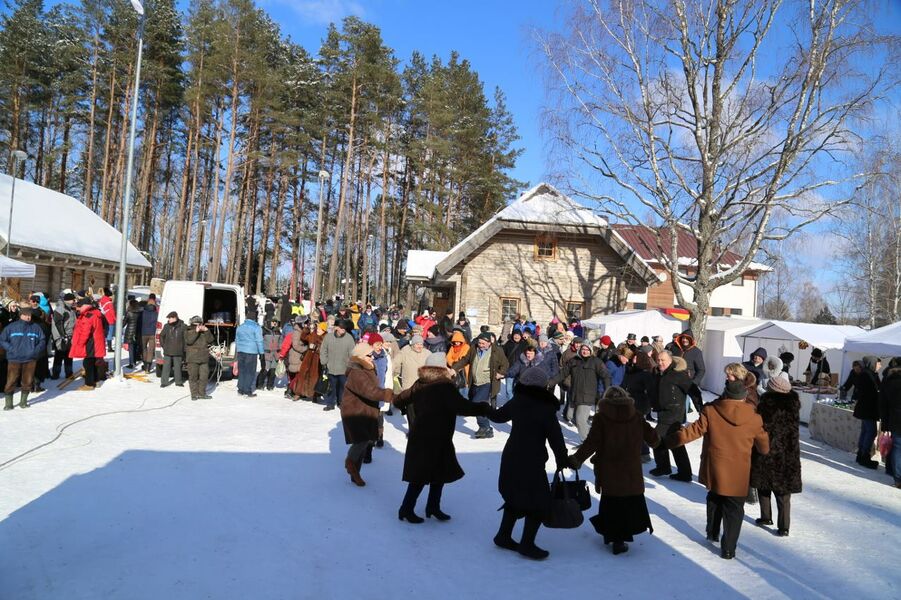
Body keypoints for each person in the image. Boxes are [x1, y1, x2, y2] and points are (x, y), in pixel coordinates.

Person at [667, 373, 770, 560]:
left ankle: (712, 532)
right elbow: (764, 447)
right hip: (739, 472)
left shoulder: (712, 411)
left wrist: (669, 441)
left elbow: (693, 431)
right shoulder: (755, 418)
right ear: (744, 396)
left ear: (726, 393)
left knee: (715, 498)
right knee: (735, 509)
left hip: (716, 467)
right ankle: (729, 548)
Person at [393, 352, 491, 523]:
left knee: (438, 472)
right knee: (422, 475)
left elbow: (402, 397)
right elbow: (462, 406)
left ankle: (433, 507)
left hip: (426, 435)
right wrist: (482, 407)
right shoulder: (444, 386)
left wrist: (401, 404)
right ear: (441, 367)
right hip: (436, 436)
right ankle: (406, 509)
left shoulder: (420, 382)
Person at [488, 367, 569, 560]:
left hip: (512, 456)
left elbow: (498, 417)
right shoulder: (545, 406)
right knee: (539, 503)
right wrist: (562, 459)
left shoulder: (518, 400)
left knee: (515, 496)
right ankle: (526, 544)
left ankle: (503, 536)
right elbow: (555, 437)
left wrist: (483, 408)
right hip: (532, 459)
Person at [569, 386, 660, 555]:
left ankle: (614, 537)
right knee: (629, 502)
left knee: (612, 503)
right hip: (631, 470)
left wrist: (577, 459)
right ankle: (624, 536)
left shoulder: (602, 418)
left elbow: (591, 443)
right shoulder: (637, 416)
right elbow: (653, 438)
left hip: (609, 470)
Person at [750, 373, 801, 537]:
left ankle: (766, 517)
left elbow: (760, 426)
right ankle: (784, 526)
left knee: (764, 484)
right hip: (787, 452)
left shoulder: (766, 403)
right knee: (783, 491)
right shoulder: (793, 405)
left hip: (766, 449)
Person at [340, 343, 393, 487]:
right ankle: (350, 463)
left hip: (365, 409)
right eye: (369, 355)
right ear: (360, 357)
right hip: (355, 411)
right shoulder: (357, 372)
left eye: (372, 355)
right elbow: (370, 391)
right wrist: (389, 394)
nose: (372, 357)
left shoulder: (366, 367)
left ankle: (355, 472)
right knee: (361, 440)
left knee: (365, 440)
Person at [450, 332, 509, 439]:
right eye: (479, 343)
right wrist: (454, 368)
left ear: (489, 343)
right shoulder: (474, 348)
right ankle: (487, 429)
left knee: (476, 403)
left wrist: (501, 373)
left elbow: (505, 364)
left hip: (487, 382)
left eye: (483, 343)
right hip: (474, 382)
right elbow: (465, 360)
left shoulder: (497, 351)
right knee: (477, 405)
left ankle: (484, 427)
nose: (480, 345)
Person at [649, 351, 697, 481]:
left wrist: (701, 409)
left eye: (663, 360)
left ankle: (663, 466)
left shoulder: (678, 375)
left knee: (656, 438)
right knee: (676, 443)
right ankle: (685, 473)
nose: (660, 362)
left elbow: (694, 391)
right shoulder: (659, 374)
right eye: (658, 360)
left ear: (670, 360)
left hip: (673, 413)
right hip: (662, 412)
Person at [550, 341, 612, 440]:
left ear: (591, 351)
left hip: (587, 396)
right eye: (583, 349)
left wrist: (607, 390)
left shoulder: (596, 362)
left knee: (580, 420)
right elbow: (562, 374)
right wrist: (550, 383)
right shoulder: (574, 360)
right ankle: (594, 435)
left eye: (587, 349)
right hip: (574, 394)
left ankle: (587, 442)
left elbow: (606, 376)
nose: (585, 351)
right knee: (570, 416)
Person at [0, 306, 45, 410]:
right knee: (11, 380)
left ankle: (23, 402)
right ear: (21, 315)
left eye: (29, 315)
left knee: (27, 381)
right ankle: (9, 403)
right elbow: (2, 340)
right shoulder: (11, 327)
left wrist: (35, 350)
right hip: (14, 359)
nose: (28, 317)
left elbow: (42, 340)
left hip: (30, 359)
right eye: (26, 315)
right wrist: (11, 349)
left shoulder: (36, 327)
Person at [69, 299, 106, 390]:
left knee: (88, 363)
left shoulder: (88, 316)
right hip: (96, 341)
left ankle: (89, 384)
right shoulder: (95, 313)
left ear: (85, 306)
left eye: (79, 306)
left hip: (91, 342)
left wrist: (80, 343)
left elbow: (85, 332)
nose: (78, 309)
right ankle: (95, 380)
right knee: (93, 361)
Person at [852, 355, 882, 469]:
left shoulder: (867, 374)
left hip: (867, 408)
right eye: (878, 363)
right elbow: (872, 392)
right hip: (868, 408)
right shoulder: (867, 375)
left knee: (866, 431)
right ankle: (864, 456)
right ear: (872, 363)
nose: (879, 366)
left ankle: (861, 455)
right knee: (871, 432)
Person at [320, 319, 356, 411]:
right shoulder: (328, 337)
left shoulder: (349, 338)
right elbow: (323, 350)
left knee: (342, 387)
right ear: (336, 328)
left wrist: (350, 365)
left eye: (344, 328)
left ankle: (341, 402)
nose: (343, 329)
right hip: (330, 366)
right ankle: (330, 403)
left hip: (344, 368)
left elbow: (352, 353)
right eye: (341, 327)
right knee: (331, 387)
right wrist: (324, 362)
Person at [878, 357, 901, 488]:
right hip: (896, 417)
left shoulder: (888, 380)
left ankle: (898, 479)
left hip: (895, 419)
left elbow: (883, 404)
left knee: (897, 448)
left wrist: (885, 423)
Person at [235, 311, 265, 397]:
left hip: (241, 352)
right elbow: (259, 341)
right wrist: (261, 353)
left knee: (242, 370)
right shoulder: (256, 328)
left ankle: (240, 389)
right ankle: (247, 390)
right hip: (251, 352)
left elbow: (237, 340)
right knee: (250, 371)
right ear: (254, 318)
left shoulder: (240, 327)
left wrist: (239, 349)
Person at [184, 316, 213, 400]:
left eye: (200, 324)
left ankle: (202, 393)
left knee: (204, 377)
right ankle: (194, 394)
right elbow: (189, 341)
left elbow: (210, 340)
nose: (198, 326)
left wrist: (207, 331)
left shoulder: (204, 331)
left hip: (203, 357)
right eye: (196, 324)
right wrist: (196, 332)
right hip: (192, 358)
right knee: (193, 377)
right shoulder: (188, 330)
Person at [294, 319, 324, 401]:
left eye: (319, 328)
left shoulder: (325, 336)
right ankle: (298, 393)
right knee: (302, 374)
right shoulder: (313, 334)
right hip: (308, 356)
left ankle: (314, 395)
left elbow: (325, 348)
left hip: (317, 358)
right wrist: (306, 329)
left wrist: (316, 347)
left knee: (315, 376)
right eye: (317, 328)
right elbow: (304, 337)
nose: (317, 329)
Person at [50, 293, 77, 379]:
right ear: (68, 300)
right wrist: (63, 336)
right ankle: (56, 373)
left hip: (69, 336)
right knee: (59, 355)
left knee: (69, 355)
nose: (74, 301)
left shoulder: (70, 309)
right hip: (61, 337)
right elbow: (58, 324)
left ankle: (69, 373)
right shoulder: (60, 309)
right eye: (73, 300)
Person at [159, 311, 186, 388]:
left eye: (170, 318)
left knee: (178, 367)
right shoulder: (166, 326)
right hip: (167, 350)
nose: (169, 319)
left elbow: (185, 338)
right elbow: (161, 336)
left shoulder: (183, 326)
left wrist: (184, 349)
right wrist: (163, 345)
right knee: (166, 367)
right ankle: (164, 382)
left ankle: (178, 382)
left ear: (175, 318)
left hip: (178, 350)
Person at [257, 317, 282, 391]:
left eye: (276, 322)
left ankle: (270, 385)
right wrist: (261, 352)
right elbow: (259, 342)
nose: (275, 323)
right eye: (273, 321)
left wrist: (280, 350)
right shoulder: (263, 330)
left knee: (273, 371)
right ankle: (259, 384)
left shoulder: (278, 331)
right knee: (265, 370)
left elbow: (280, 341)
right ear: (268, 322)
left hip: (275, 354)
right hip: (266, 353)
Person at [140, 297, 159, 373]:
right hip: (152, 333)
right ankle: (148, 367)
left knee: (144, 349)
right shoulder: (156, 314)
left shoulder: (142, 312)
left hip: (143, 333)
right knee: (151, 350)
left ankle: (145, 365)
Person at [123, 299, 143, 369]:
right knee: (135, 347)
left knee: (131, 348)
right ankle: (134, 360)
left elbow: (124, 323)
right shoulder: (140, 312)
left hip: (130, 332)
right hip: (138, 332)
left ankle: (131, 363)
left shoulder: (129, 312)